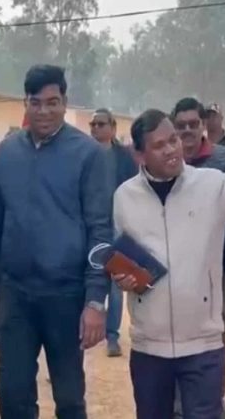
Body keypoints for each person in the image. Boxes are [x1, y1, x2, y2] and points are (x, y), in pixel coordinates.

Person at [111, 108, 225, 419]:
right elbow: (123, 258)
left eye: (173, 139)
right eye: (159, 145)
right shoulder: (124, 198)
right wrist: (123, 278)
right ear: (139, 155)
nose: (171, 149)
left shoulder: (212, 185)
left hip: (203, 345)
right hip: (149, 347)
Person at [0, 65, 110, 419]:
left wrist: (95, 301)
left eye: (52, 102)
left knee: (69, 399)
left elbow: (100, 231)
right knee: (12, 396)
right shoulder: (7, 154)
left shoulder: (88, 154)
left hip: (66, 295)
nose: (44, 111)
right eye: (36, 103)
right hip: (16, 295)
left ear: (65, 102)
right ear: (25, 103)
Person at [171, 98, 225, 419]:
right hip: (171, 270)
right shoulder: (164, 160)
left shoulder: (224, 160)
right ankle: (177, 405)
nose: (187, 130)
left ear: (203, 125)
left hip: (216, 268)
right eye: (181, 125)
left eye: (193, 124)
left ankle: (213, 400)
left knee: (214, 336)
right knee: (174, 334)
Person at [88, 108, 137, 358]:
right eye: (93, 125)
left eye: (101, 124)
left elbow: (135, 188)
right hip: (90, 227)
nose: (96, 128)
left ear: (113, 127)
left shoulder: (125, 157)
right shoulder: (84, 155)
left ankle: (112, 337)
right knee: (90, 279)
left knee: (116, 284)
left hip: (118, 226)